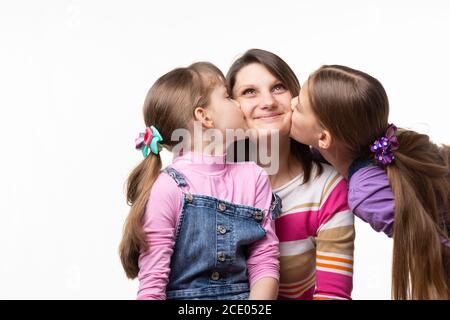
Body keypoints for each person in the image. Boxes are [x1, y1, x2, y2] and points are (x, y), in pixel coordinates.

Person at [119, 61, 280, 300]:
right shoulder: (169, 187)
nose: (237, 103)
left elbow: (264, 261)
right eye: (227, 97)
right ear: (204, 116)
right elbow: (152, 287)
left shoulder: (254, 177)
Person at [290, 64, 450, 299]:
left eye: (300, 107)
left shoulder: (366, 194)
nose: (292, 102)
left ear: (323, 138)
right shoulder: (362, 147)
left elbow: (430, 246)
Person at [227, 49, 355, 300]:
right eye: (249, 91)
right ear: (231, 106)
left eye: (278, 87)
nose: (268, 102)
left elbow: (333, 295)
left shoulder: (328, 188)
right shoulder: (206, 187)